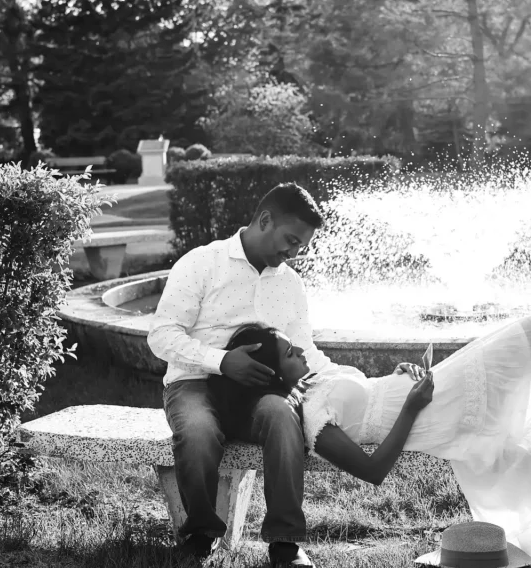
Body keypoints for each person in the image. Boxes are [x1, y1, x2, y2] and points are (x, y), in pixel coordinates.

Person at [226, 315, 531, 566]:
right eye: (289, 351)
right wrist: (411, 404)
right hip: (438, 409)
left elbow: (370, 399)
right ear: (269, 371)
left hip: (434, 390)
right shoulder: (309, 415)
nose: (301, 350)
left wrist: (400, 375)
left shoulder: (316, 381)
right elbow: (373, 472)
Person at [148, 182, 418, 568]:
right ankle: (200, 536)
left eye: (301, 247)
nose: (293, 253)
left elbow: (307, 354)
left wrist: (381, 381)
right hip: (195, 382)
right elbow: (161, 335)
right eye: (290, 240)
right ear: (264, 220)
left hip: (262, 391)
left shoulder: (290, 283)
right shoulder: (201, 263)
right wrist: (223, 361)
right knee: (197, 430)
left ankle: (285, 543)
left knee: (283, 417)